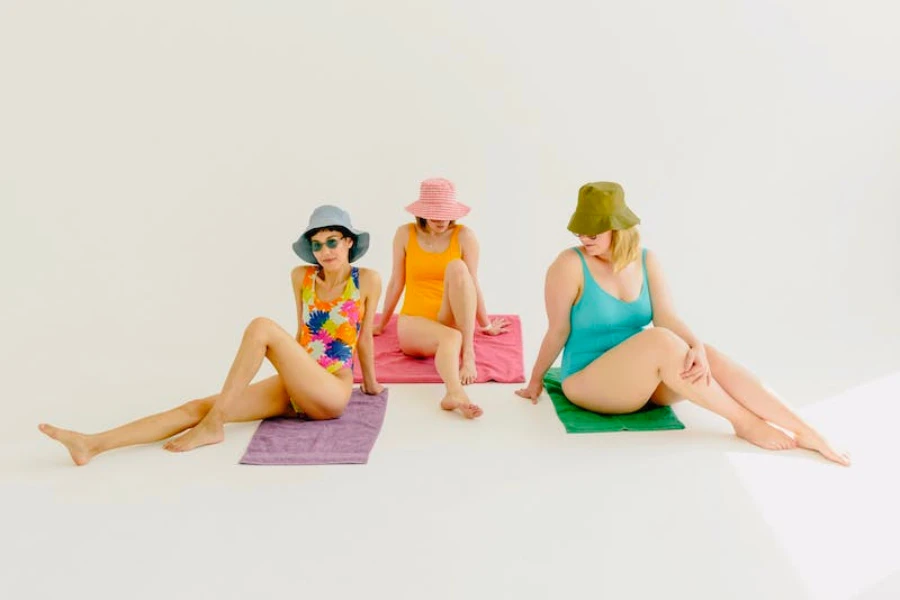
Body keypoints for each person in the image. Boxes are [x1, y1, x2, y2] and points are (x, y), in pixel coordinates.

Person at [516, 182, 850, 466]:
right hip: (587, 381)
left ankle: (806, 430)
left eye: (593, 229)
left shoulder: (647, 260)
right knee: (661, 341)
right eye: (580, 228)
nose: (582, 236)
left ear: (618, 227)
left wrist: (698, 348)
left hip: (640, 382)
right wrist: (535, 382)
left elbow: (667, 317)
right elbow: (557, 329)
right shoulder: (568, 265)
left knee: (707, 356)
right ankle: (744, 421)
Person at [39, 205, 384, 465]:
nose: (326, 251)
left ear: (349, 241)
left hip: (331, 390)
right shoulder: (302, 277)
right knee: (201, 406)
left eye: (333, 241)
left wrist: (369, 385)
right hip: (297, 384)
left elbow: (364, 338)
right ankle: (93, 444)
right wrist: (291, 375)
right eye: (318, 244)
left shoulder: (366, 280)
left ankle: (214, 426)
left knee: (261, 326)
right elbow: (300, 333)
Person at [376, 177, 508, 419]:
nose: (440, 220)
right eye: (434, 214)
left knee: (458, 267)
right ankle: (455, 393)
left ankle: (468, 354)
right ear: (422, 213)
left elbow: (472, 284)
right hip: (414, 323)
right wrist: (382, 323)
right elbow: (397, 280)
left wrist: (486, 325)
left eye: (445, 213)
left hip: (449, 316)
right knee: (450, 336)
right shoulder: (405, 234)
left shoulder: (465, 236)